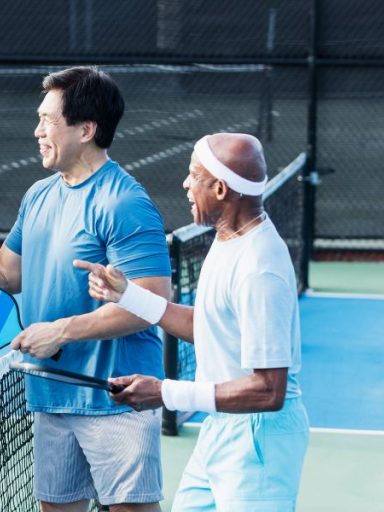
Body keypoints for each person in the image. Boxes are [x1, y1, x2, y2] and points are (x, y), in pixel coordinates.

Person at [0, 66, 171, 512]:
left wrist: (60, 332)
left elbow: (153, 303)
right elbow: (7, 270)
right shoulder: (40, 195)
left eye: (48, 120)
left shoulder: (124, 203)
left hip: (114, 396)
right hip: (50, 392)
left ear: (86, 129)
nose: (37, 130)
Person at [76, 132, 309, 511]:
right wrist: (128, 295)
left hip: (259, 440)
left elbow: (269, 390)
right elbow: (212, 326)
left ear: (219, 189)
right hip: (221, 426)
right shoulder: (227, 239)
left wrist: (165, 392)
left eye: (193, 174)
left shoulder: (259, 268)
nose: (185, 183)